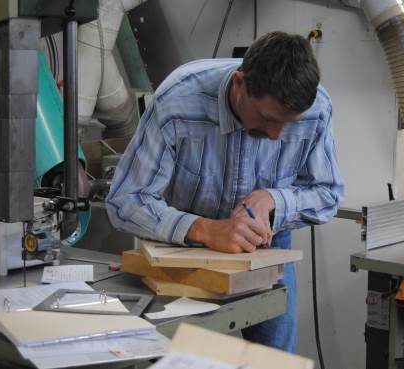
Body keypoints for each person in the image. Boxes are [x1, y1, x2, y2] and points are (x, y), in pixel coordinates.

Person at [105, 31, 344, 352]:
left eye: (289, 124)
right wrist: (205, 229)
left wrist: (273, 198)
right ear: (239, 85)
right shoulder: (178, 101)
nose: (276, 136)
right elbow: (125, 200)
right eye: (268, 119)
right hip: (182, 245)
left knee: (272, 358)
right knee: (176, 353)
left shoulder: (317, 108)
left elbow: (328, 195)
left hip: (266, 247)